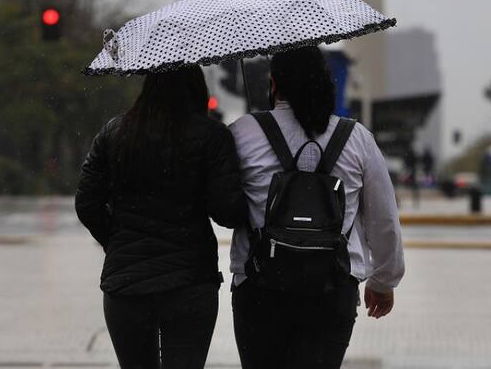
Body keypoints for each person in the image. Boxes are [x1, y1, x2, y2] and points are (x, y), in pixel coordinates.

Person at [228, 47, 405, 369]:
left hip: (259, 288)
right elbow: (384, 218)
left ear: (274, 84)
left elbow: (224, 204)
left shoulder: (242, 132)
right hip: (332, 289)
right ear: (325, 83)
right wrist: (383, 281)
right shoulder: (356, 138)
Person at [75, 66, 246, 369]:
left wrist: (115, 240)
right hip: (190, 283)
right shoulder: (211, 136)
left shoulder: (115, 133)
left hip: (126, 284)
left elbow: (87, 203)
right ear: (196, 89)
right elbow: (227, 212)